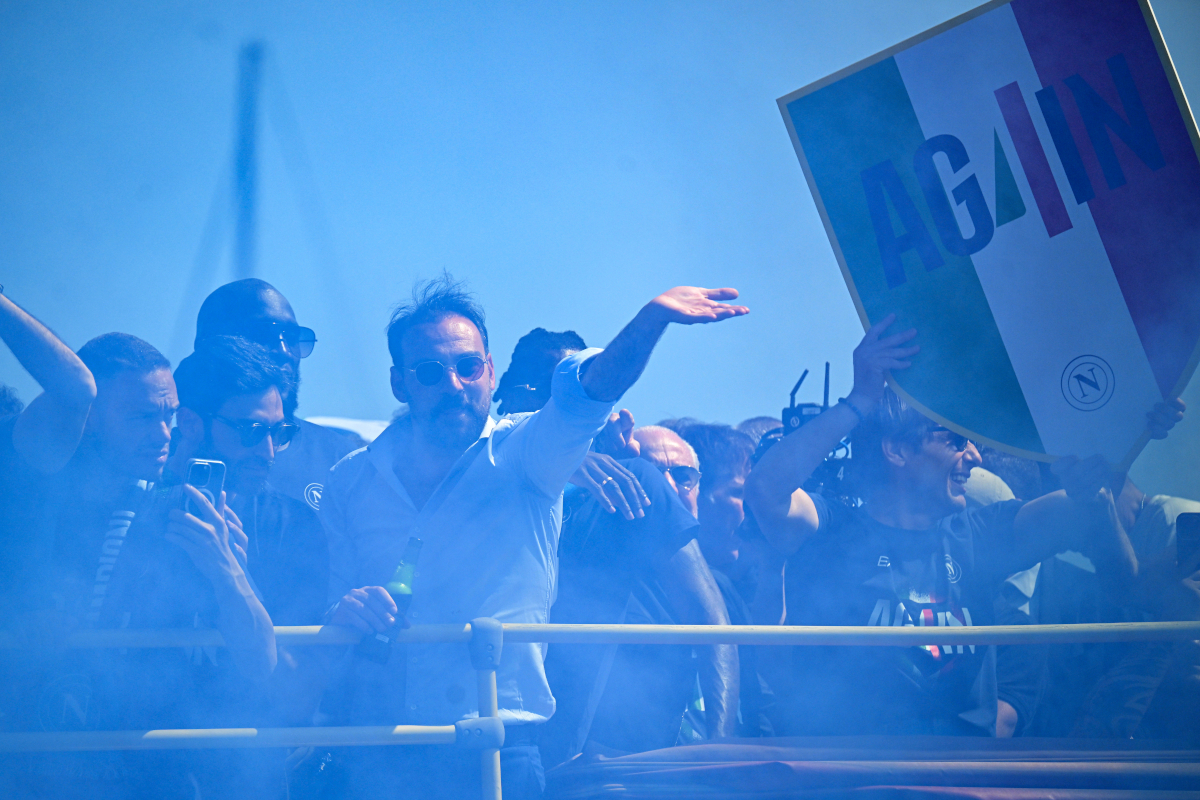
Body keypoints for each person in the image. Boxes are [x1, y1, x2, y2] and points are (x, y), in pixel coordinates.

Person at [320, 275, 747, 798]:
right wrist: (348, 609)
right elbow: (332, 604)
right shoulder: (349, 479)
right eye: (430, 372)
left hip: (503, 744)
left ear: (489, 369)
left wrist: (650, 322)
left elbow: (586, 393)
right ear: (399, 384)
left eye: (468, 366)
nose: (453, 384)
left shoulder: (525, 455)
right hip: (382, 746)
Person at [745, 314, 1183, 737]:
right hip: (856, 779)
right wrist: (861, 400)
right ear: (896, 450)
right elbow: (765, 489)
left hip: (960, 776)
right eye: (955, 441)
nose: (974, 456)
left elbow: (1084, 507)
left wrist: (1123, 426)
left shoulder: (978, 534)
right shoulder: (835, 529)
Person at [489, 336, 735, 765]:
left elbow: (711, 621)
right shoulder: (468, 480)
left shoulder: (631, 483)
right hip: (485, 732)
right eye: (538, 394)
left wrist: (719, 751)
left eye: (572, 397)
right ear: (502, 395)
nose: (554, 413)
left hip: (602, 760)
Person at [194, 279, 361, 512]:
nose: (284, 352)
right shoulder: (158, 459)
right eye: (263, 335)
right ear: (208, 347)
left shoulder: (343, 461)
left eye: (292, 338)